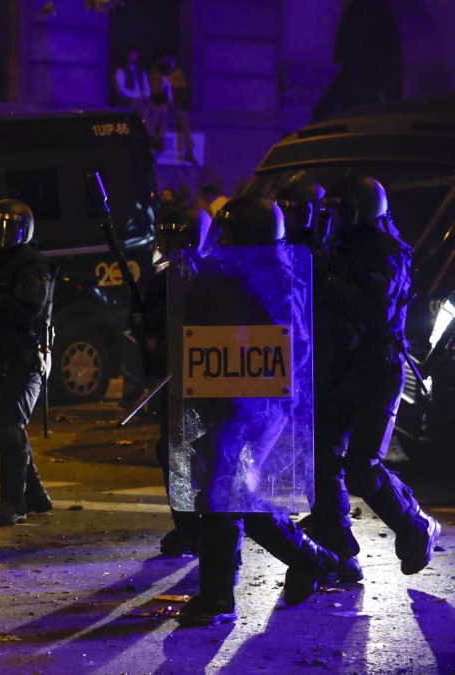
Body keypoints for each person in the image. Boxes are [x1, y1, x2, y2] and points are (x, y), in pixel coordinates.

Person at [176, 196, 338, 627]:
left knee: (222, 493)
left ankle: (217, 597)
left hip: (260, 402)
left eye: (229, 236)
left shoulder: (278, 280)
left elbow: (292, 346)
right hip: (231, 397)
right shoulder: (234, 273)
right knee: (232, 493)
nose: (222, 243)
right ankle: (310, 558)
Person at [310, 175, 441, 582]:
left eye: (340, 209)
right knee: (322, 459)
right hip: (342, 366)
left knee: (362, 467)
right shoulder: (336, 247)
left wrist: (327, 282)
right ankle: (338, 551)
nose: (332, 216)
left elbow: (376, 311)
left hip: (377, 369)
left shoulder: (387, 251)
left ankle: (416, 526)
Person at [0, 199, 55, 527]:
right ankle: (36, 495)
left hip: (27, 357)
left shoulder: (33, 265)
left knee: (6, 429)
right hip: (2, 358)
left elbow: (27, 308)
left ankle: (13, 502)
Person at [140, 205, 210, 556]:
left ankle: (212, 528)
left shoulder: (214, 276)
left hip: (209, 379)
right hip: (174, 379)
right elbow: (149, 332)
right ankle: (186, 526)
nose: (173, 244)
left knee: (207, 453)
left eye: (179, 236)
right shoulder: (162, 281)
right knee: (171, 453)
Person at [114, 47, 165, 151]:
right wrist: (137, 95)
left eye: (136, 55)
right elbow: (121, 89)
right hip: (129, 99)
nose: (135, 57)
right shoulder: (120, 71)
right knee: (143, 110)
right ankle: (150, 137)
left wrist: (146, 95)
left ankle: (152, 135)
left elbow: (147, 86)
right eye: (132, 54)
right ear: (127, 55)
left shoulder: (141, 72)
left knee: (156, 110)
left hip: (143, 98)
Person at [150, 55, 195, 163]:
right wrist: (165, 99)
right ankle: (157, 142)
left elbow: (182, 92)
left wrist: (175, 101)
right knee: (161, 112)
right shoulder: (155, 72)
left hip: (174, 105)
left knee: (184, 118)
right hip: (160, 103)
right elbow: (154, 92)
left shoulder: (177, 74)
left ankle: (189, 150)